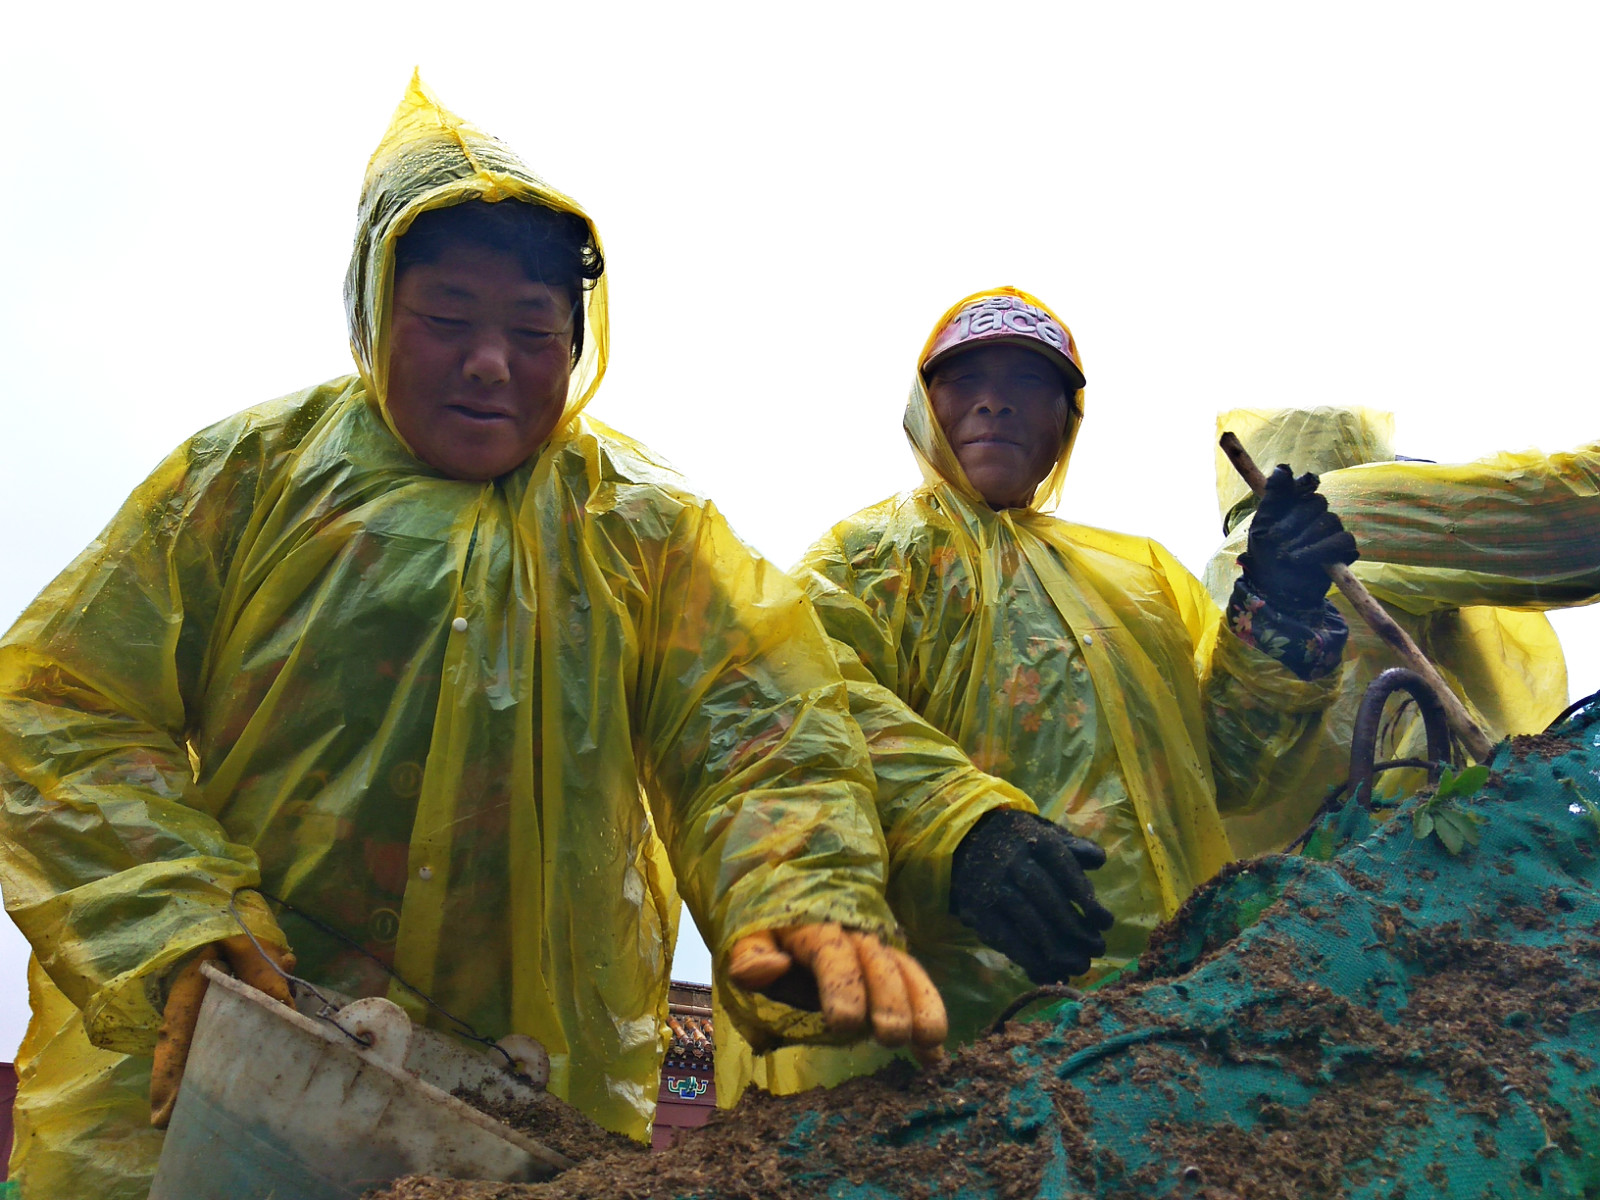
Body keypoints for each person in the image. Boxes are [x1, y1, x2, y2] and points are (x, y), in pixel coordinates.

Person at [0, 76, 959, 1197]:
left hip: (515, 1099)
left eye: (532, 331)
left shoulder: (642, 532)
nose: (491, 364)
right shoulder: (250, 478)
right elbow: (62, 701)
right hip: (234, 1063)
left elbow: (758, 729)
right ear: (372, 313)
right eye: (447, 322)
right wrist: (173, 918)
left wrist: (801, 891)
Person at [790, 287, 1358, 985]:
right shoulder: (864, 562)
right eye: (966, 378)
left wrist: (1280, 608)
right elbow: (809, 713)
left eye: (1029, 382)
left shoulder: (1139, 583)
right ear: (923, 406)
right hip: (968, 1021)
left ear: (1066, 422)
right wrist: (963, 828)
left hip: (1175, 1003)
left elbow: (1229, 773)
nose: (995, 402)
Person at [1205, 407, 1600, 856]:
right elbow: (1571, 519)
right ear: (1360, 451)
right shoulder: (1350, 504)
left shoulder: (1228, 573)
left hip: (1302, 891)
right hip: (1429, 842)